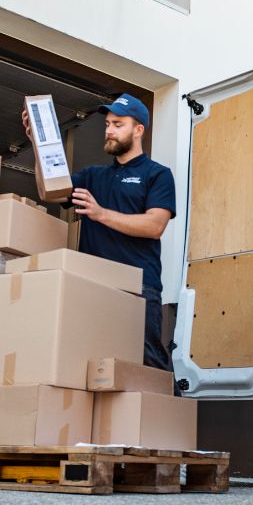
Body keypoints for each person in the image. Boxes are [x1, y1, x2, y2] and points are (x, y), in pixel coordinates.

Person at [22, 93, 176, 370]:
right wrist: (38, 143)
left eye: (118, 124)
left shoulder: (157, 174)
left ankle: (168, 413)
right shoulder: (92, 176)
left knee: (149, 366)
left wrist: (100, 213)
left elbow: (155, 226)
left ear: (138, 129)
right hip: (94, 284)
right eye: (107, 124)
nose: (109, 130)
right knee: (92, 365)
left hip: (138, 287)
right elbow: (49, 191)